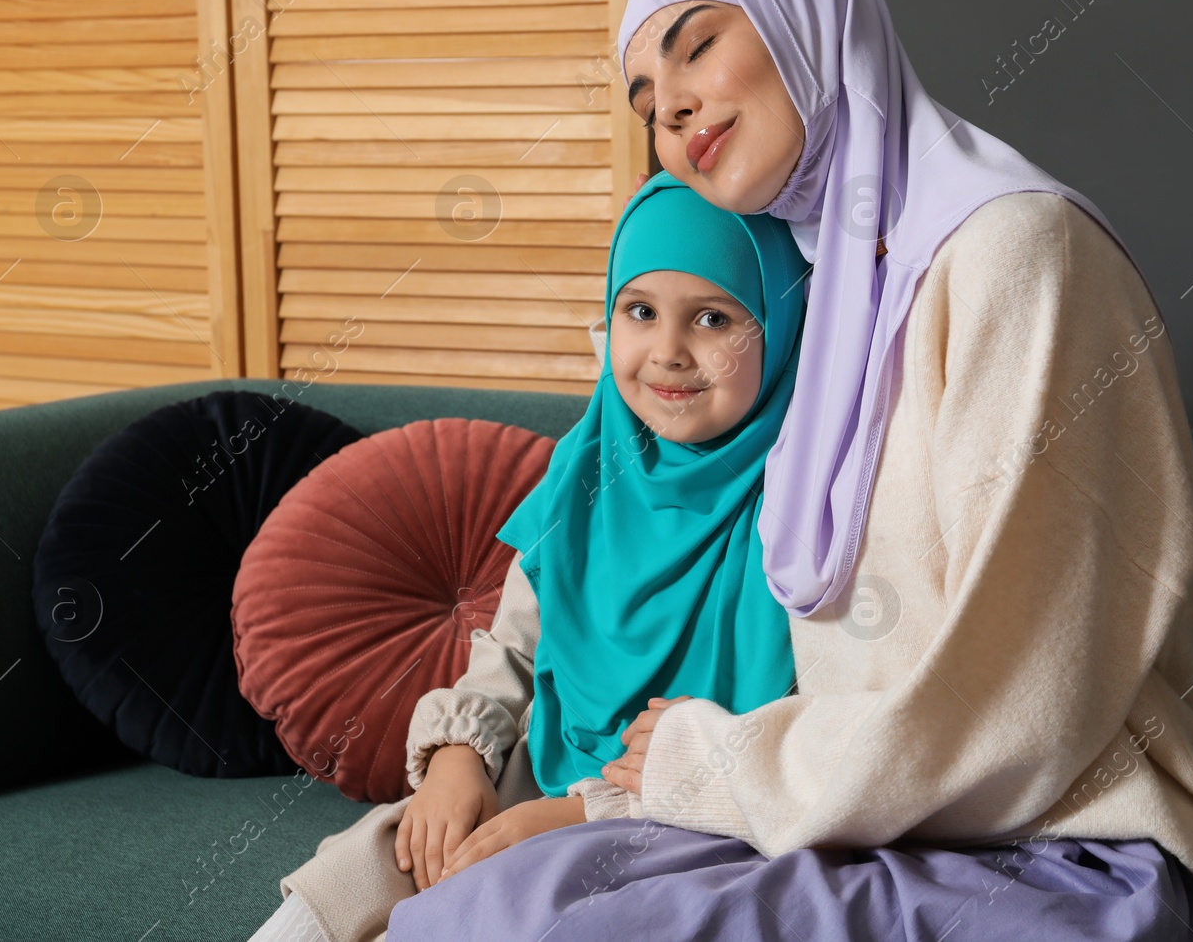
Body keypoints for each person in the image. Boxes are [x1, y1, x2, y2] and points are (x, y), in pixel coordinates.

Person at [383, 0, 1193, 942]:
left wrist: (706, 763)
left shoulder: (1017, 252)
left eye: (695, 47)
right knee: (474, 908)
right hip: (875, 820)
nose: (672, 104)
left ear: (809, 26)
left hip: (1080, 845)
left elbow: (1021, 705)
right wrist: (604, 788)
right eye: (645, 97)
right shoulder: (834, 308)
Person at [247, 170, 812, 942]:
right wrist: (456, 754)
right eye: (640, 311)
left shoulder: (807, 508)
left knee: (511, 896)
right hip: (534, 775)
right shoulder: (587, 469)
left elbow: (796, 746)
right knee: (392, 849)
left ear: (781, 331)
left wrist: (578, 815)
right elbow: (513, 647)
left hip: (684, 819)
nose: (669, 351)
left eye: (713, 318)